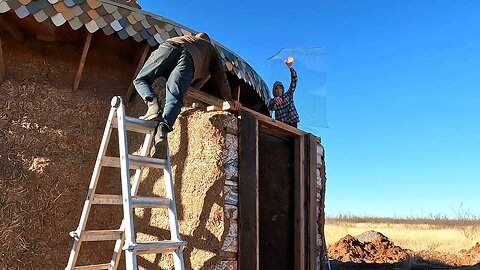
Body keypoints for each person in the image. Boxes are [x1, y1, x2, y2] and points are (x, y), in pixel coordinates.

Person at [133, 32, 241, 158]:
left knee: (141, 80)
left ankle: (153, 105)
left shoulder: (184, 38)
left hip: (168, 47)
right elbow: (221, 77)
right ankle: (163, 131)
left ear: (196, 37)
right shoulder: (211, 49)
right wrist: (229, 99)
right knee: (175, 98)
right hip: (188, 61)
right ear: (208, 41)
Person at [268, 56, 299, 128]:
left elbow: (294, 80)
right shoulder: (272, 100)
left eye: (280, 88)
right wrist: (275, 101)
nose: (278, 90)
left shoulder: (289, 94)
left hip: (292, 123)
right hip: (281, 126)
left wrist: (290, 67)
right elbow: (271, 107)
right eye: (276, 88)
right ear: (274, 91)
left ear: (282, 89)